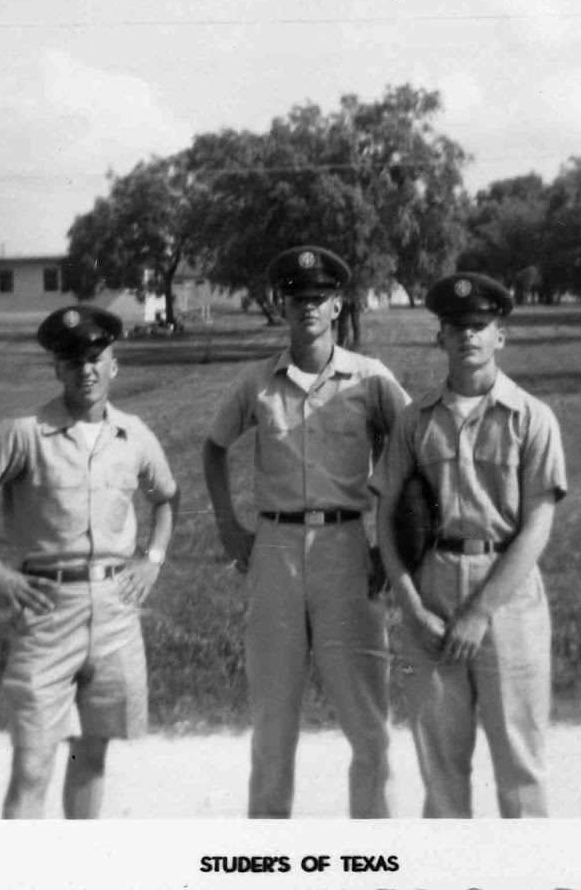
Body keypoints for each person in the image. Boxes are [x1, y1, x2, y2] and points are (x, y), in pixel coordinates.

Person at [0, 304, 178, 819]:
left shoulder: (134, 436)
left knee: (92, 755)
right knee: (33, 764)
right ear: (57, 369)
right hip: (47, 612)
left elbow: (166, 498)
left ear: (114, 364)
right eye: (72, 360)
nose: (86, 370)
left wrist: (152, 558)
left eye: (96, 357)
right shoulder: (22, 434)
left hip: (115, 611)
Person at [202, 245, 411, 818]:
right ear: (282, 304)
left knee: (369, 724)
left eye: (319, 298)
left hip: (347, 548)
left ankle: (377, 859)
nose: (308, 309)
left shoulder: (370, 381)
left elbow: (416, 452)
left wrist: (390, 544)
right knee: (272, 723)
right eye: (297, 298)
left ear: (339, 305)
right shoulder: (257, 383)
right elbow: (214, 448)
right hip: (274, 552)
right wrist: (228, 525)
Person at [377, 272, 568, 818]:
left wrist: (480, 612)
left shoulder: (532, 418)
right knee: (440, 773)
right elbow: (386, 518)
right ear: (441, 337)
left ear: (500, 336)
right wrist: (410, 606)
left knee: (520, 770)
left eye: (480, 326)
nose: (468, 336)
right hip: (432, 593)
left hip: (506, 597)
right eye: (456, 327)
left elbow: (537, 526)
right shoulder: (414, 422)